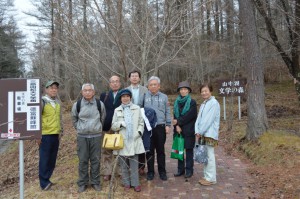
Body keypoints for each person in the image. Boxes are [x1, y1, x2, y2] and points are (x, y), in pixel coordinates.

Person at [71, 83, 106, 193]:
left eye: (90, 90)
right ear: (82, 92)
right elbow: (74, 119)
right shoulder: (77, 105)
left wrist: (97, 127)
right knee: (83, 160)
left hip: (96, 136)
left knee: (96, 160)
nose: (87, 92)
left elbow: (102, 118)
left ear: (93, 92)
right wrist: (80, 128)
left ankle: (95, 182)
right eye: (85, 90)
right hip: (82, 137)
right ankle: (83, 182)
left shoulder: (100, 104)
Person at [111, 89, 145, 192]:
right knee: (123, 164)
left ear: (130, 97)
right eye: (123, 97)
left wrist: (139, 132)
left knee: (134, 164)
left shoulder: (137, 108)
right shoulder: (117, 110)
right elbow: (113, 126)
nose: (125, 98)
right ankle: (126, 183)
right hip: (122, 141)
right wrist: (121, 124)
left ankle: (136, 184)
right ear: (120, 98)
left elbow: (141, 123)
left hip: (134, 139)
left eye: (127, 96)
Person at [144, 76, 171, 181]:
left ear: (159, 86)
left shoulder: (164, 97)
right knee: (149, 151)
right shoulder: (144, 96)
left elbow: (167, 111)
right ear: (148, 86)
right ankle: (150, 172)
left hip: (160, 127)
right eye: (151, 85)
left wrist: (168, 125)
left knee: (160, 150)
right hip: (148, 128)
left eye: (155, 84)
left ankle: (162, 171)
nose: (153, 86)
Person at [39, 80, 63, 191]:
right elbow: (37, 119)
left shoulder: (57, 102)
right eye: (51, 88)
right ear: (46, 89)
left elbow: (60, 118)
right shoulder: (42, 102)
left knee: (52, 160)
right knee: (45, 159)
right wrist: (37, 135)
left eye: (55, 88)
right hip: (45, 135)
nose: (54, 90)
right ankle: (43, 183)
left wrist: (60, 132)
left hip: (55, 135)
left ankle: (47, 179)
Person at [195, 83, 220, 186]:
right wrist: (197, 130)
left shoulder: (214, 103)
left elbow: (208, 120)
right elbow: (199, 119)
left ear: (210, 91)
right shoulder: (204, 103)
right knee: (205, 155)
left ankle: (211, 178)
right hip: (202, 133)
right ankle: (206, 176)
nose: (204, 93)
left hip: (209, 133)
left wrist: (200, 131)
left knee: (210, 156)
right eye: (202, 91)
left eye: (206, 91)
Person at [172, 81, 197, 178]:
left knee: (189, 151)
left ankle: (189, 170)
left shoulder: (192, 102)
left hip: (189, 130)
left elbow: (190, 116)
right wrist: (176, 126)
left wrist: (178, 122)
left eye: (185, 89)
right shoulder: (176, 102)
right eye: (181, 89)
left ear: (188, 91)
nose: (183, 91)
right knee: (179, 150)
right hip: (178, 130)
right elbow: (175, 116)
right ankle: (180, 170)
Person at [100, 75, 122, 181]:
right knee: (106, 150)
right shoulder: (104, 95)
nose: (115, 83)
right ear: (109, 84)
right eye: (112, 82)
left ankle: (119, 171)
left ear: (120, 83)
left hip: (119, 127)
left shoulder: (124, 94)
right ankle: (107, 172)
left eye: (117, 81)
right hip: (107, 126)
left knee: (119, 149)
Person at [126, 70, 148, 175]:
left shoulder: (145, 90)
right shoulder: (125, 90)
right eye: (132, 76)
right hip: (128, 120)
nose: (134, 78)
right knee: (129, 141)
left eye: (136, 76)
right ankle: (130, 166)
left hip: (141, 119)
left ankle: (141, 166)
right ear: (129, 78)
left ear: (139, 78)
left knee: (141, 142)